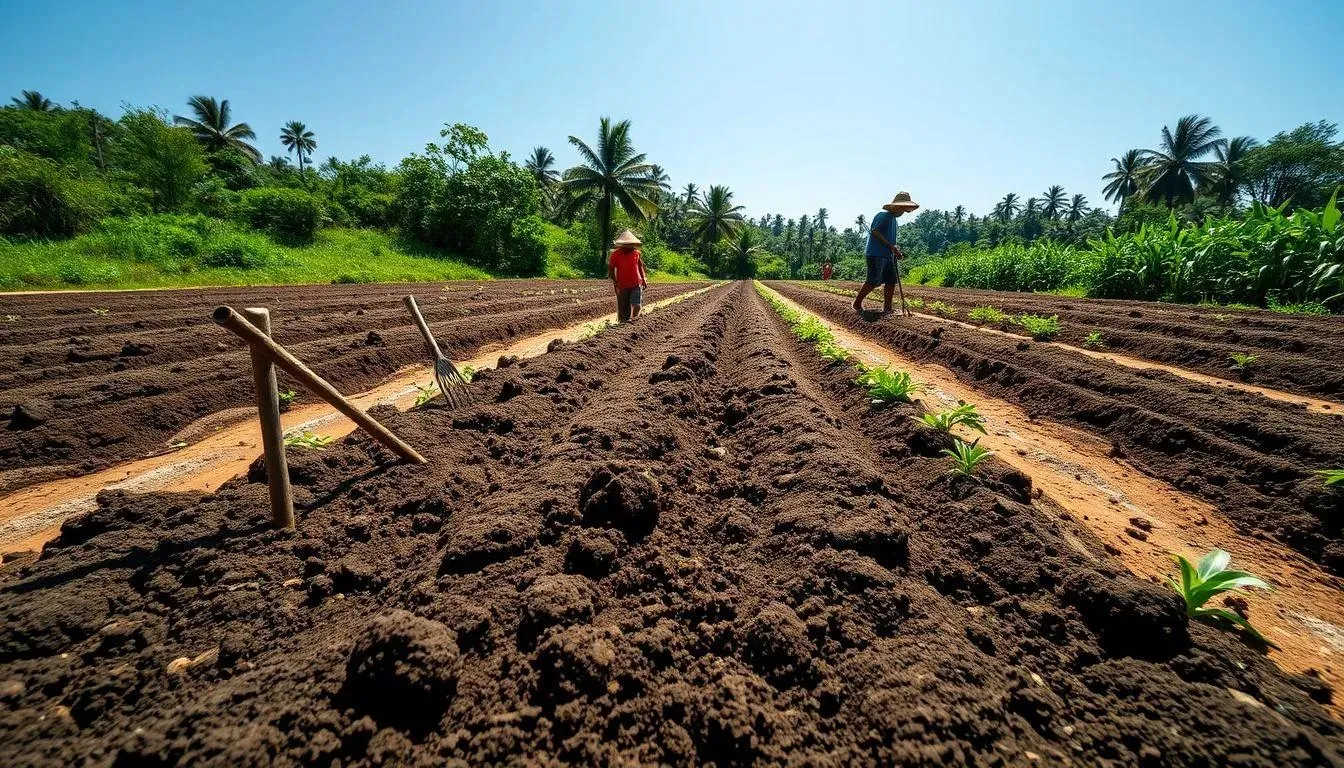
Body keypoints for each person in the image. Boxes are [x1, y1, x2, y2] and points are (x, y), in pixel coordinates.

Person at [854, 191, 919, 313]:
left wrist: (895, 250)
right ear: (898, 207)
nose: (904, 212)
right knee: (873, 281)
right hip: (875, 253)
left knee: (891, 281)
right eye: (904, 209)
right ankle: (857, 303)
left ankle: (887, 308)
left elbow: (890, 240)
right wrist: (890, 246)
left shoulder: (894, 221)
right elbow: (875, 231)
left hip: (887, 255)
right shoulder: (883, 216)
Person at [607, 229, 648, 323]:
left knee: (637, 304)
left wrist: (644, 278)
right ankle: (623, 325)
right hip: (622, 285)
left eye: (631, 244)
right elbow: (611, 268)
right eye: (627, 244)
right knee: (624, 307)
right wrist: (615, 281)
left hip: (636, 283)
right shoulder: (616, 254)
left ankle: (633, 320)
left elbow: (640, 265)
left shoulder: (636, 253)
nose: (630, 246)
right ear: (623, 244)